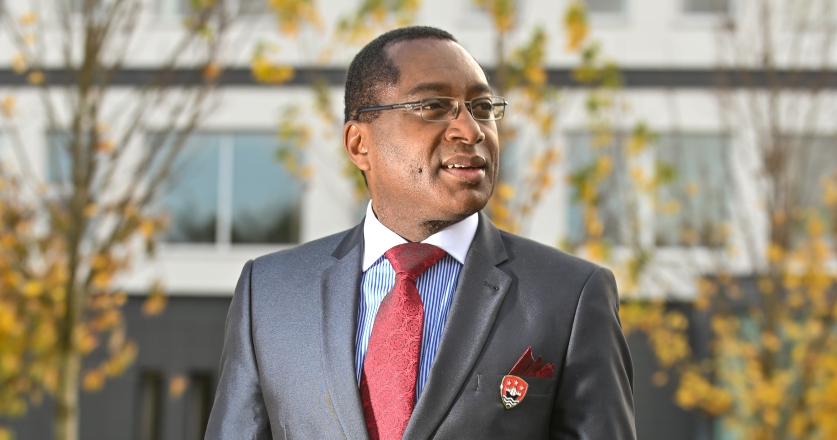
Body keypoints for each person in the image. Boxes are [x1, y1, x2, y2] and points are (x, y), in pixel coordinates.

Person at [205, 26, 635, 439]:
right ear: (359, 144)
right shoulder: (269, 294)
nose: (471, 129)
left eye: (483, 108)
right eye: (433, 106)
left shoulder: (571, 296)